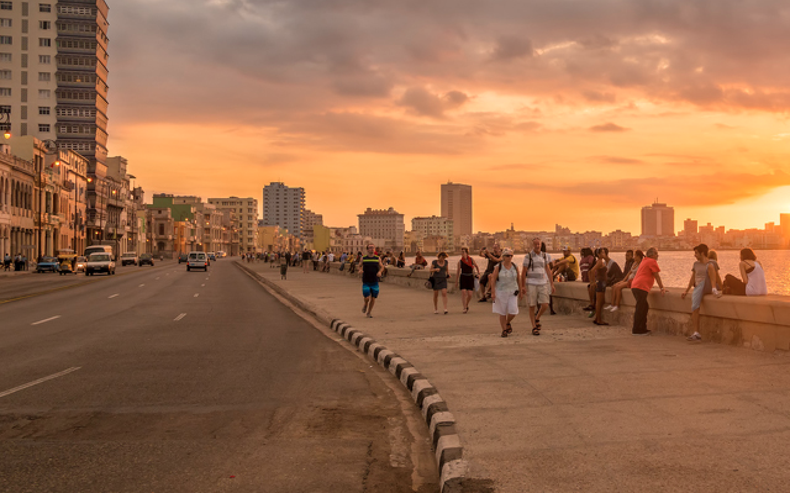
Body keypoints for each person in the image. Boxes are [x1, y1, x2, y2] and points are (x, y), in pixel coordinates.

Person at [681, 244, 720, 341]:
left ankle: (714, 289)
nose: (695, 255)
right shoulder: (696, 265)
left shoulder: (712, 263)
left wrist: (722, 288)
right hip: (699, 286)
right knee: (695, 307)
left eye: (696, 253)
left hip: (709, 285)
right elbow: (692, 278)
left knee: (710, 265)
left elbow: (717, 277)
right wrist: (686, 290)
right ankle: (696, 332)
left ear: (702, 253)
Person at [521, 238, 555, 335]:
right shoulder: (528, 256)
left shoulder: (545, 256)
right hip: (531, 283)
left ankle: (537, 318)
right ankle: (534, 327)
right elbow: (523, 272)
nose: (537, 246)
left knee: (545, 304)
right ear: (533, 245)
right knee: (532, 305)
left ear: (541, 245)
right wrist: (523, 286)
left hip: (543, 283)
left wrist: (552, 284)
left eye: (539, 244)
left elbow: (548, 270)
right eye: (535, 244)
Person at [629, 247, 666, 336]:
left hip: (635, 286)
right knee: (641, 308)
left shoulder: (645, 260)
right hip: (641, 287)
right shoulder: (652, 261)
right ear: (652, 255)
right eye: (656, 254)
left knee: (643, 307)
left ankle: (641, 328)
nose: (658, 256)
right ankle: (638, 329)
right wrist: (662, 288)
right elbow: (657, 276)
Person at [491, 248, 521, 338]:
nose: (510, 257)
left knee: (513, 311)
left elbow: (518, 278)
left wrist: (522, 288)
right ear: (503, 257)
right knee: (502, 312)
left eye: (511, 255)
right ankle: (504, 330)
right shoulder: (498, 267)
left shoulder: (515, 266)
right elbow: (493, 279)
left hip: (513, 291)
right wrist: (493, 292)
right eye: (508, 255)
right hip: (501, 291)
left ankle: (507, 322)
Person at [360, 244, 384, 318]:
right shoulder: (363, 258)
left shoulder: (377, 258)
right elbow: (359, 265)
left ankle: (369, 312)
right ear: (367, 250)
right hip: (366, 280)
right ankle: (365, 304)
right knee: (367, 297)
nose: (371, 249)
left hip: (374, 280)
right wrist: (360, 270)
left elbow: (382, 266)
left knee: (373, 298)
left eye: (372, 248)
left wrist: (380, 272)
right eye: (370, 248)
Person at [455, 247, 480, 314]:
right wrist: (456, 281)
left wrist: (478, 274)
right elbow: (458, 272)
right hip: (463, 277)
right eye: (461, 252)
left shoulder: (471, 260)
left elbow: (476, 266)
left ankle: (466, 304)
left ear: (466, 253)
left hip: (470, 277)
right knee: (463, 292)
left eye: (463, 252)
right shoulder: (460, 262)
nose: (462, 253)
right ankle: (464, 307)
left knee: (470, 294)